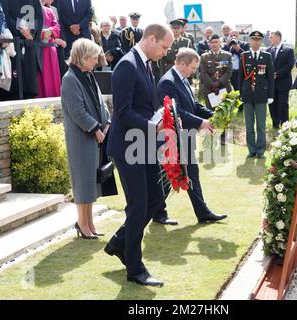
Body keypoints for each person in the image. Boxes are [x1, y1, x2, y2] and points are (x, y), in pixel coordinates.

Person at [104, 24, 174, 287]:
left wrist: (163, 116)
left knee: (156, 198)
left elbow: (143, 105)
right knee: (138, 205)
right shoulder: (126, 65)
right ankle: (135, 269)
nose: (165, 53)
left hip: (142, 143)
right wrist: (153, 126)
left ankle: (121, 242)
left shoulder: (145, 63)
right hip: (126, 147)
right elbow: (122, 112)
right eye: (164, 47)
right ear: (152, 39)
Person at [153, 48, 228, 226]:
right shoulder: (167, 82)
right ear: (181, 63)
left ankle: (202, 213)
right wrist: (202, 122)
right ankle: (157, 212)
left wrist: (213, 115)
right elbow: (176, 112)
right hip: (173, 137)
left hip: (185, 135)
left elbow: (192, 104)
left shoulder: (183, 79)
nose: (194, 71)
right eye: (192, 68)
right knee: (168, 176)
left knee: (190, 173)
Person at [61, 38, 115, 241]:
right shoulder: (70, 79)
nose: (96, 61)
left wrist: (107, 122)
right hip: (82, 138)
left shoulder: (88, 75)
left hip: (96, 137)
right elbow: (77, 111)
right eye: (93, 57)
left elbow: (100, 102)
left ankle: (89, 222)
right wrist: (95, 129)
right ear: (82, 56)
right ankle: (82, 223)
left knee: (92, 183)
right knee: (83, 183)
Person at [239, 31, 275, 159]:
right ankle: (251, 149)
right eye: (253, 39)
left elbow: (270, 77)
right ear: (250, 41)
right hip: (247, 95)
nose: (256, 42)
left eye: (258, 40)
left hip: (261, 95)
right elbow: (240, 77)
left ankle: (260, 150)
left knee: (261, 124)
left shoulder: (266, 56)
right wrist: (240, 94)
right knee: (249, 125)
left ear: (261, 41)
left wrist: (271, 95)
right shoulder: (244, 56)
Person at [0, 0, 44, 100]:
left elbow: (39, 17)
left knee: (30, 83)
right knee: (15, 84)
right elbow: (5, 16)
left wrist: (31, 32)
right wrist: (22, 28)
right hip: (14, 43)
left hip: (30, 43)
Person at [266, 31, 295, 129]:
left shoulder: (288, 50)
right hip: (271, 83)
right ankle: (275, 124)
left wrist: (277, 74)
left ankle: (285, 125)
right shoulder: (267, 50)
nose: (270, 39)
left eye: (271, 37)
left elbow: (289, 65)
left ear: (278, 38)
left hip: (283, 82)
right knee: (272, 104)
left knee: (283, 104)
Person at [200, 34, 233, 108]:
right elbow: (203, 72)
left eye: (216, 42)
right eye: (212, 42)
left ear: (220, 43)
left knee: (225, 112)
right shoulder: (204, 56)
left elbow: (229, 72)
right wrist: (212, 84)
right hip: (209, 88)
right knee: (211, 113)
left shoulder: (227, 55)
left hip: (224, 87)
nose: (214, 44)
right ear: (209, 44)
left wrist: (219, 82)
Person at [37, 0, 62, 98]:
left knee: (52, 77)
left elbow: (57, 27)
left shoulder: (50, 11)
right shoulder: (30, 10)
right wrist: (42, 33)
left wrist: (51, 31)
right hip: (37, 47)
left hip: (50, 49)